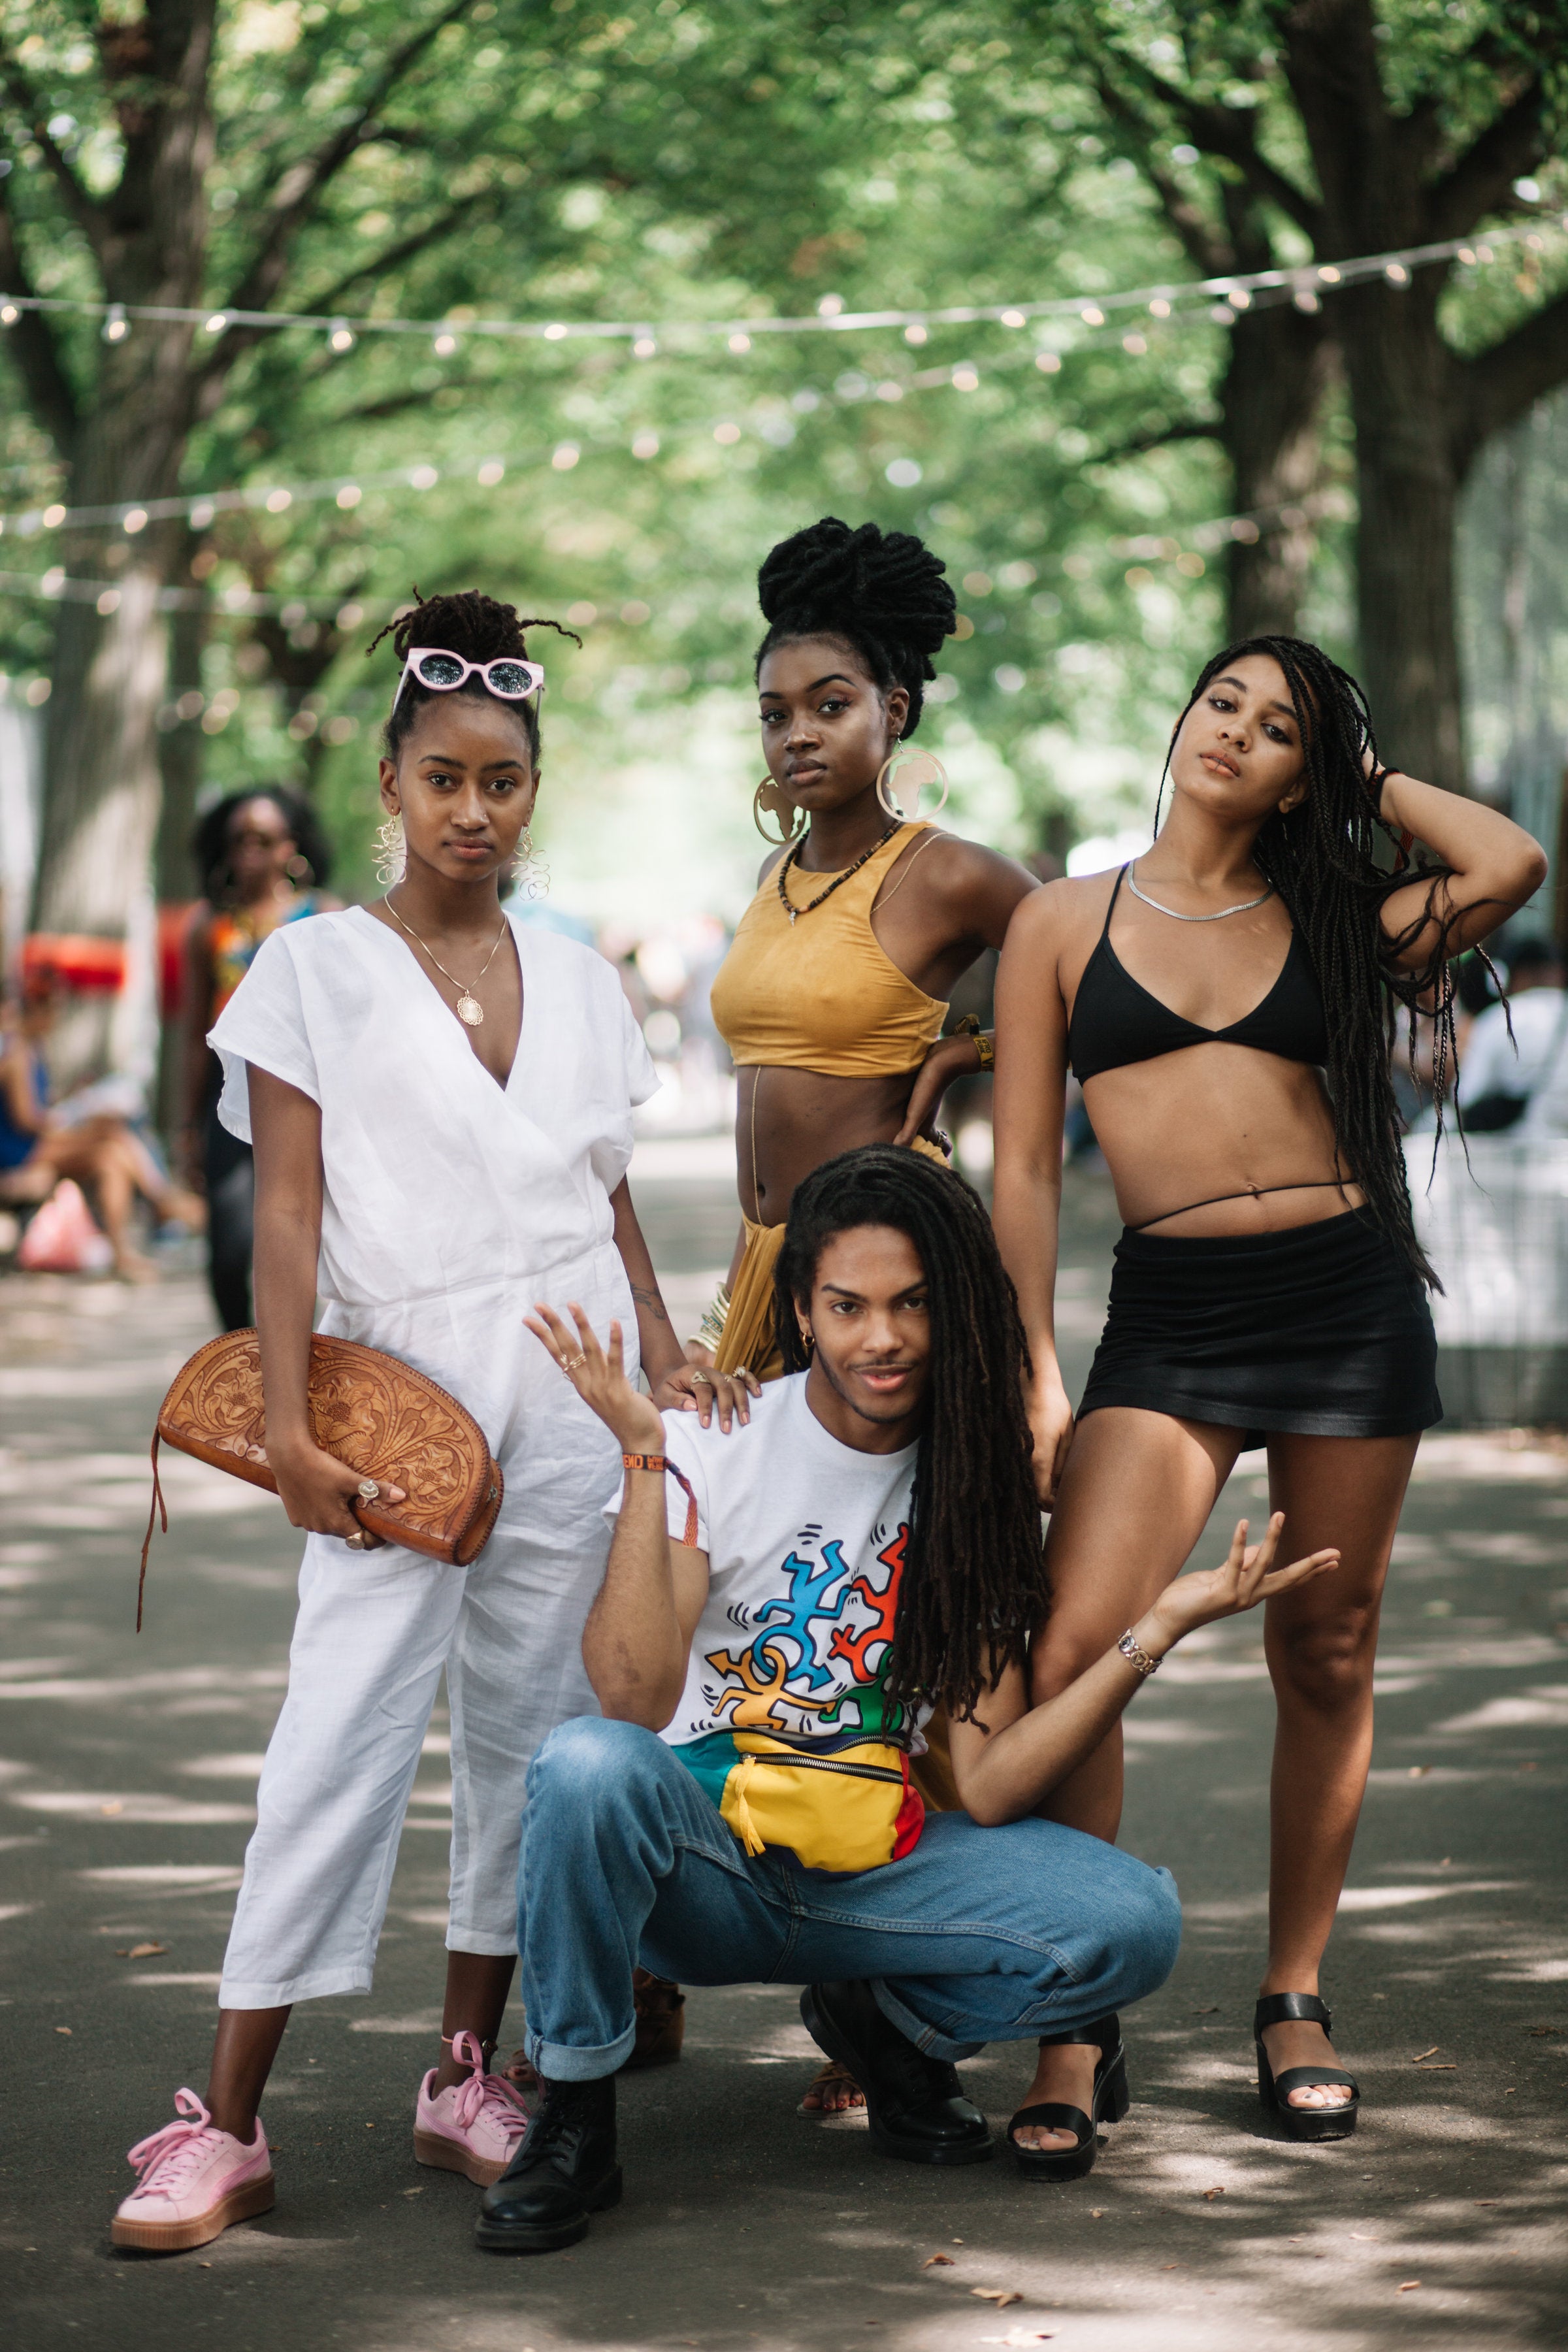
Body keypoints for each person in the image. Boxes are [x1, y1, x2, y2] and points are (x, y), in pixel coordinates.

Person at [110, 588, 749, 2256]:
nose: (475, 809)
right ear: (388, 782)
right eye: (445, 776)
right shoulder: (309, 965)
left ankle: (467, 2068)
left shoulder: (580, 972)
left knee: (533, 1745)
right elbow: (285, 1217)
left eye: (505, 780)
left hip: (574, 1371)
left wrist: (667, 1352)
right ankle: (225, 2117)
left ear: (533, 790)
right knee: (335, 1731)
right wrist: (292, 1420)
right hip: (392, 1388)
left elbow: (604, 1194)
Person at [475, 1145, 1337, 2253]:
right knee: (585, 1767)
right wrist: (647, 1459)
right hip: (712, 1865)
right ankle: (575, 2118)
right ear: (802, 1308)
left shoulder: (968, 1483)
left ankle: (885, 2026)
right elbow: (631, 1696)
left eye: (911, 1304)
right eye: (847, 1306)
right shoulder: (713, 1441)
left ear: (955, 1309)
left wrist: (1153, 1631)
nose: (879, 1337)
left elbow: (989, 1775)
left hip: (881, 1867)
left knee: (1134, 1921)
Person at [991, 634, 1547, 2141]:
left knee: (1325, 1647)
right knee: (1077, 1644)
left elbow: (1508, 859)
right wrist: (1033, 1370)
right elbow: (1027, 1167)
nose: (1235, 731)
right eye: (1221, 701)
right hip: (1166, 1316)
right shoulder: (1058, 922)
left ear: (1311, 770)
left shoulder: (1342, 915)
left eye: (1279, 726)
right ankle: (1071, 2009)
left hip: (1343, 1301)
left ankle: (1289, 1988)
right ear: (1178, 718)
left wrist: (1363, 775)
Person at [696, 515, 1036, 2111]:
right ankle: (673, 1933)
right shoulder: (771, 875)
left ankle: (882, 1988)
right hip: (755, 1280)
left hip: (873, 1298)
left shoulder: (947, 870)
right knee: (737, 1612)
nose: (796, 733)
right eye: (774, 710)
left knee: (885, 1622)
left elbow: (1081, 981)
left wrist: (971, 1062)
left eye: (826, 702)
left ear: (893, 706)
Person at [180, 787, 340, 1328]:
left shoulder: (325, 918)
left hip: (310, 1101)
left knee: (315, 1243)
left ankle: (311, 1363)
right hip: (230, 1104)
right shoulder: (209, 927)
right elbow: (193, 1032)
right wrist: (186, 1127)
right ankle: (243, 1363)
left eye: (264, 838)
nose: (250, 850)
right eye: (239, 839)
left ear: (291, 847)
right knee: (228, 1251)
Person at [0, 984, 203, 1278]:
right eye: (53, 1011)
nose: (56, 1019)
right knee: (111, 1131)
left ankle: (123, 1253)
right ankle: (161, 1199)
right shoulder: (18, 1052)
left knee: (110, 1157)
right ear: (36, 1012)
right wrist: (67, 1118)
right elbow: (27, 1121)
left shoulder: (33, 1049)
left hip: (35, 1143)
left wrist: (73, 1100)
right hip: (22, 1150)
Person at [1456, 936, 1567, 1132]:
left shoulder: (1499, 1020)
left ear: (1517, 975)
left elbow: (1465, 1097)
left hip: (1517, 1154)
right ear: (1559, 972)